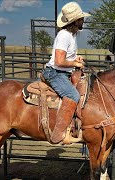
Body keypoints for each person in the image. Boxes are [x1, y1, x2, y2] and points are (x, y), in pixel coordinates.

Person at [41, 2, 90, 144]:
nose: (83, 21)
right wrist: (75, 63)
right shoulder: (64, 36)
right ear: (75, 21)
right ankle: (60, 134)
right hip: (55, 73)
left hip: (63, 72)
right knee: (72, 95)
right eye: (81, 19)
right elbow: (59, 60)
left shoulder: (71, 35)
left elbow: (66, 57)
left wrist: (76, 58)